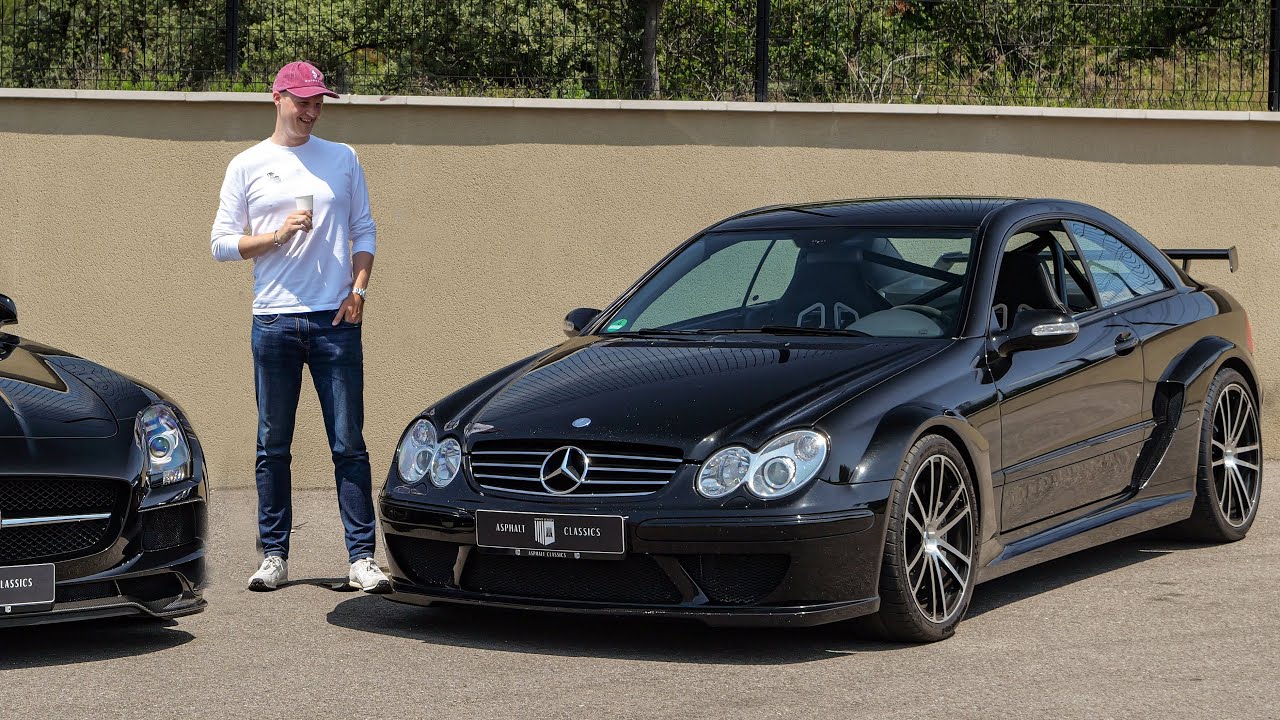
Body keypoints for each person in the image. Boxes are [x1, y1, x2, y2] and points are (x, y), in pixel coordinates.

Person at [210, 61, 390, 593]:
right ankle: (274, 556)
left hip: (336, 321)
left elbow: (365, 229)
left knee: (348, 443)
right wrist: (274, 235)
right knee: (273, 444)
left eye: (319, 103)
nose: (311, 111)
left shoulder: (342, 158)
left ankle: (361, 558)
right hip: (274, 319)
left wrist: (358, 292)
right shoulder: (248, 164)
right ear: (278, 98)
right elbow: (221, 244)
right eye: (303, 101)